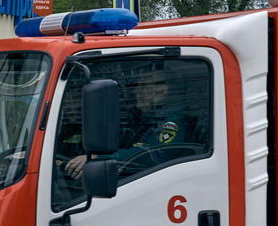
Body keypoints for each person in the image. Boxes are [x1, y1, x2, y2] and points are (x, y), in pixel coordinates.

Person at [64, 69, 197, 179]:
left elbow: (154, 155)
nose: (137, 91)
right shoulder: (146, 120)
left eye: (143, 86)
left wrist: (99, 159)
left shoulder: (173, 122)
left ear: (162, 90)